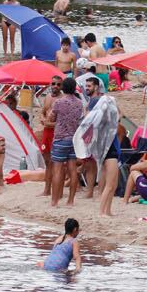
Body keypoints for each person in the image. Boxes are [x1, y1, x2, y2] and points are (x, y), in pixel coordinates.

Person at [48, 77, 84, 207]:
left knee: (57, 170)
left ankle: (55, 200)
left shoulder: (59, 102)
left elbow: (52, 118)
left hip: (60, 138)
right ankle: (70, 200)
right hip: (73, 139)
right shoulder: (79, 103)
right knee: (72, 170)